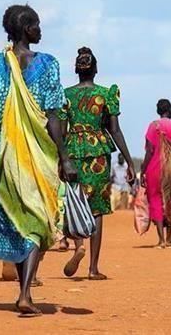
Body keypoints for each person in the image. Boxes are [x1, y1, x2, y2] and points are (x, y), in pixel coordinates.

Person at [0, 4, 76, 316]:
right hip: (35, 155)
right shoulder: (48, 64)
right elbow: (54, 115)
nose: (41, 30)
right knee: (37, 222)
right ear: (27, 29)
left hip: (1, 155)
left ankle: (23, 290)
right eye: (37, 25)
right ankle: (26, 293)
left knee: (19, 222)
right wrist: (64, 156)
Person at [58, 46, 135, 278]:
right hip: (99, 152)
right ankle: (93, 268)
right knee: (97, 209)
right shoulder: (107, 93)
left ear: (76, 70)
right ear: (96, 69)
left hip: (72, 153)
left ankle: (78, 245)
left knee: (74, 202)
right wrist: (129, 161)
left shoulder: (66, 95)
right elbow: (115, 130)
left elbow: (60, 133)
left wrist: (60, 160)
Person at [140, 99, 171, 248]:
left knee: (155, 200)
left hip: (154, 168)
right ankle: (169, 238)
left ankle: (161, 240)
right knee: (170, 199)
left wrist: (143, 170)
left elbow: (149, 151)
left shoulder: (153, 126)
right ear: (170, 110)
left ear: (158, 111)